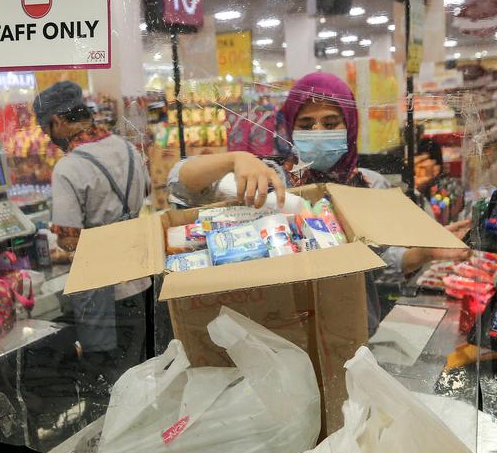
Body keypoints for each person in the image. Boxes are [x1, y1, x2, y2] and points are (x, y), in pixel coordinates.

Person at [169, 72, 470, 279]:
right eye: (306, 124)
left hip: (353, 327)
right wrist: (236, 158)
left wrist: (425, 253)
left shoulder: (369, 185)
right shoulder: (276, 179)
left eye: (330, 123)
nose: (318, 132)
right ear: (291, 128)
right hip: (286, 326)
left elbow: (378, 263)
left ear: (350, 125)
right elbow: (181, 184)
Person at [34, 81, 151, 374]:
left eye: (47, 130)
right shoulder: (128, 149)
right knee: (141, 370)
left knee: (111, 378)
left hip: (104, 296)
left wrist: (62, 246)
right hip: (142, 280)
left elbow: (70, 241)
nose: (50, 138)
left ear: (58, 122)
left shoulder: (69, 168)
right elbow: (146, 193)